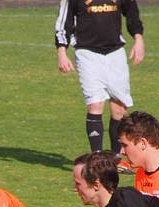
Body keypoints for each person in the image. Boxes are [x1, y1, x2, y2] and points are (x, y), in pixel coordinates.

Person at [55, 0, 144, 171]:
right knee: (95, 104)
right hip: (87, 52)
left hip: (115, 52)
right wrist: (62, 51)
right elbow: (63, 21)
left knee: (119, 108)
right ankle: (96, 159)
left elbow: (131, 12)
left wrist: (138, 38)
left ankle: (116, 159)